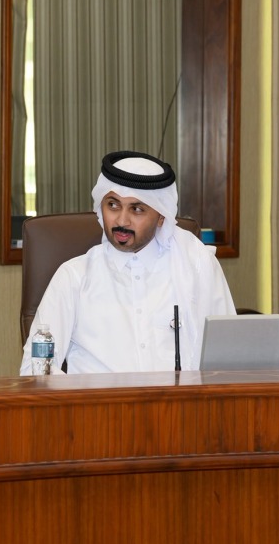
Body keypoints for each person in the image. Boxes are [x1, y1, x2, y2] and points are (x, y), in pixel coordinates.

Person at [19, 150, 236, 375]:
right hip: (96, 398)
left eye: (137, 209)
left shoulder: (197, 267)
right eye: (113, 205)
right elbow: (34, 369)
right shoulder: (73, 277)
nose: (122, 220)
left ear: (161, 217)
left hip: (180, 398)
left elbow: (230, 358)